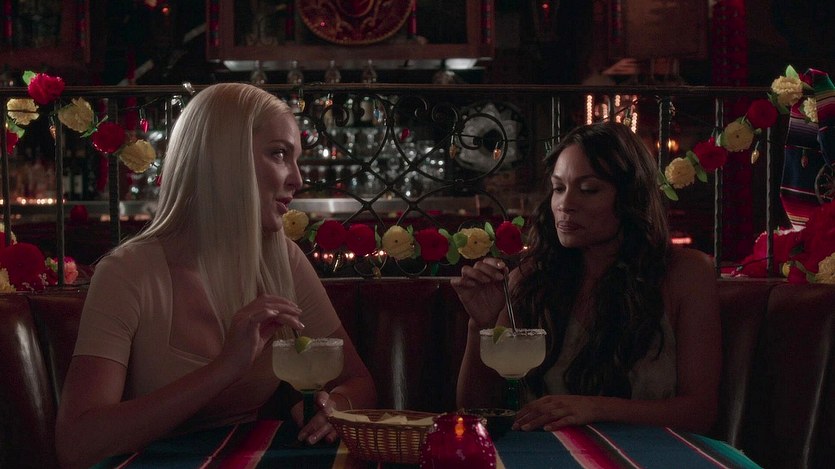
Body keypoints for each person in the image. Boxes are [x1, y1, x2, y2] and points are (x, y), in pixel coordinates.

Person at [55, 83, 376, 468]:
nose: (297, 178)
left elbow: (360, 384)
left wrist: (332, 408)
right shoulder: (126, 273)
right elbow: (77, 445)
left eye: (295, 158)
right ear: (225, 159)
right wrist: (224, 369)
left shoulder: (282, 258)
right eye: (279, 154)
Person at [453, 122, 721, 434]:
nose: (565, 205)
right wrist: (480, 326)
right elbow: (474, 413)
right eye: (558, 188)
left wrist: (595, 408)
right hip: (545, 453)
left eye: (589, 190)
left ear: (631, 197)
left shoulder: (685, 274)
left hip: (650, 454)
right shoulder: (529, 278)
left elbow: (700, 413)